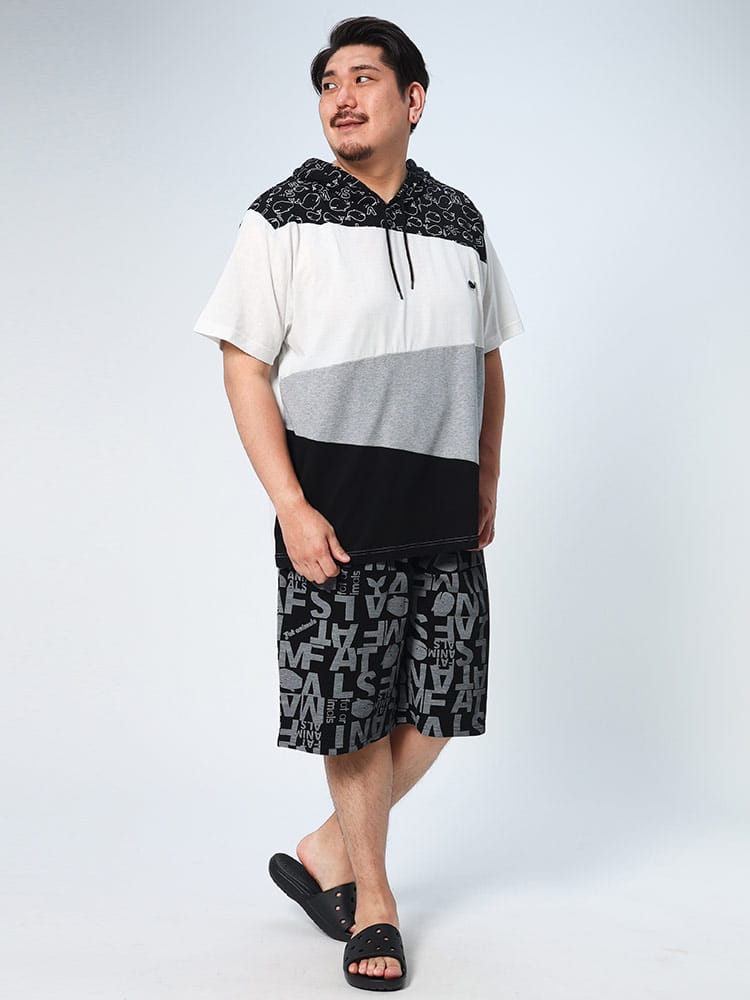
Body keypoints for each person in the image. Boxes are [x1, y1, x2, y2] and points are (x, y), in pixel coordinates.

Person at [193, 15, 525, 992]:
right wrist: (290, 505)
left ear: (412, 100)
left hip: (444, 512)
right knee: (354, 715)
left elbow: (488, 356)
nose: (341, 97)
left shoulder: (460, 219)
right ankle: (372, 900)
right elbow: (243, 365)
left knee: (443, 703)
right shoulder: (282, 216)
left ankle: (327, 847)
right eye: (329, 82)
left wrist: (488, 472)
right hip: (336, 519)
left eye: (364, 79)